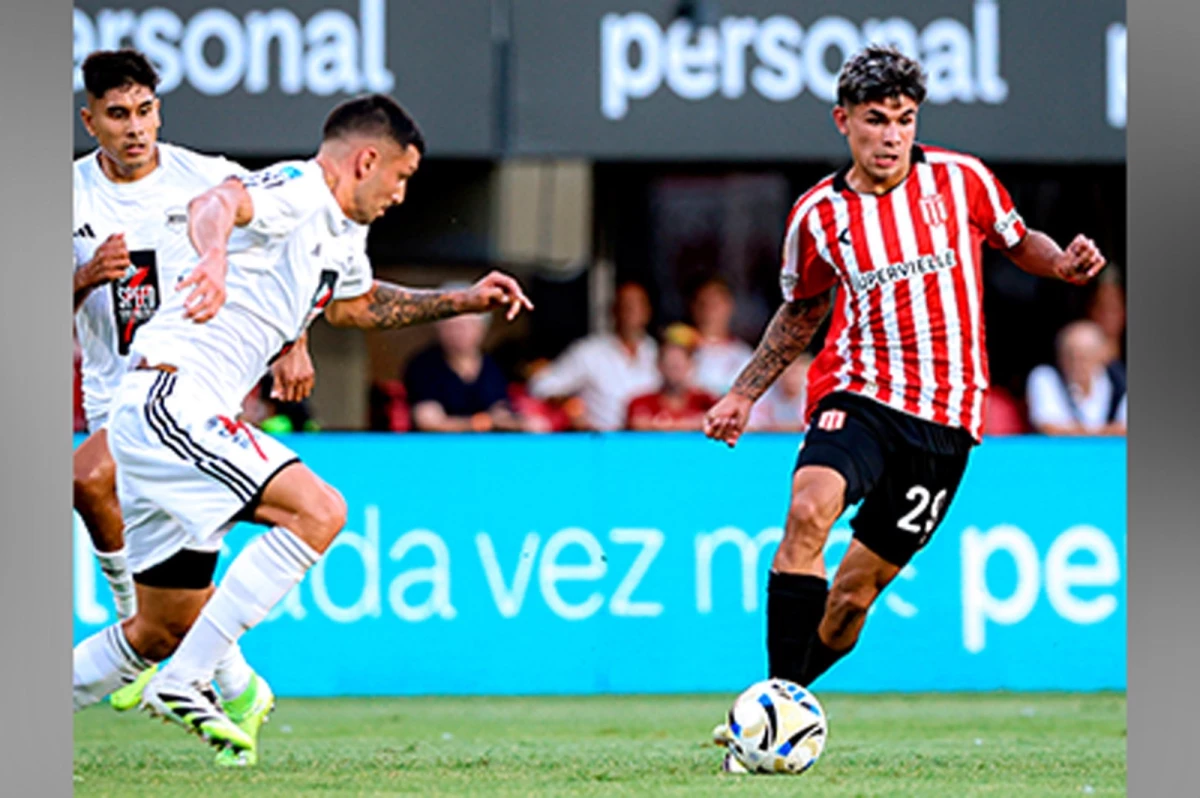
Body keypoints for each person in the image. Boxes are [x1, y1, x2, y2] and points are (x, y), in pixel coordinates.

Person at [71, 92, 532, 761]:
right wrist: (214, 257)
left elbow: (357, 306)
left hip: (169, 417)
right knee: (320, 512)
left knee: (159, 628)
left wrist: (464, 297)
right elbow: (216, 203)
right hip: (173, 399)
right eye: (401, 178)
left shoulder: (345, 234)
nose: (402, 195)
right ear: (367, 159)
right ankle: (187, 681)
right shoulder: (300, 187)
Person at [703, 46, 1106, 722]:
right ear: (843, 121)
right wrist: (744, 391)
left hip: (945, 422)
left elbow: (1014, 238)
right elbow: (803, 307)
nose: (891, 136)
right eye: (875, 119)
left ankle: (782, 704)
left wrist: (1060, 263)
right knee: (807, 511)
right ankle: (774, 710)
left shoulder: (961, 179)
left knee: (852, 601)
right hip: (858, 394)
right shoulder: (818, 216)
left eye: (904, 119)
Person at [71, 49, 312, 764]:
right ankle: (236, 684)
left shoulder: (206, 176)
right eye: (118, 114)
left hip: (187, 388)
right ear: (91, 121)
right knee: (172, 606)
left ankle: (136, 634)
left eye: (145, 110)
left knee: (89, 478)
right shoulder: (63, 196)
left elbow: (286, 243)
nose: (135, 127)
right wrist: (85, 278)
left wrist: (295, 341)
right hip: (110, 390)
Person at [527, 281, 659, 430]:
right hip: (599, 443)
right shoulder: (589, 352)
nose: (630, 310)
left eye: (637, 305)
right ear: (613, 310)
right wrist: (568, 404)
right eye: (625, 304)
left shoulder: (659, 353)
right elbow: (541, 385)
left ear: (648, 311)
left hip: (651, 444)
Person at [404, 290, 532, 432]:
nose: (459, 333)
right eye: (452, 326)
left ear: (482, 329)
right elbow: (428, 421)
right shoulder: (423, 366)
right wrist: (483, 422)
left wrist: (524, 423)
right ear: (439, 328)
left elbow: (500, 411)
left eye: (466, 325)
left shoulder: (493, 365)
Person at [1026, 320, 1126, 436]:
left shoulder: (1120, 380)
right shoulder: (1045, 377)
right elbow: (1048, 427)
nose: (1077, 364)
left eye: (1085, 356)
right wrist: (1103, 432)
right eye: (1070, 355)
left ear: (1102, 356)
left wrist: (1078, 431)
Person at [625, 324, 717, 431]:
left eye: (678, 366)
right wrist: (694, 424)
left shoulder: (707, 402)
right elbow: (637, 425)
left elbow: (718, 424)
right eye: (670, 366)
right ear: (659, 366)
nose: (674, 372)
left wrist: (660, 425)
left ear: (691, 365)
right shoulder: (640, 403)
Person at [689, 276, 754, 397]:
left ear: (729, 306)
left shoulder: (744, 355)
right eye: (703, 304)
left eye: (715, 304)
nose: (709, 311)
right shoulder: (682, 350)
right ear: (693, 307)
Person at [747, 354, 813, 433]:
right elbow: (751, 427)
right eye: (790, 373)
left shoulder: (814, 396)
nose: (793, 379)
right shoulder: (763, 395)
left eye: (798, 373)